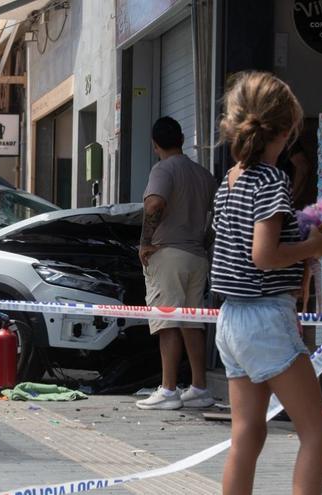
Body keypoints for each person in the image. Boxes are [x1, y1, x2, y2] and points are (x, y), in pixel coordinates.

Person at [212, 71, 322, 494]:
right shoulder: (271, 181)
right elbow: (263, 256)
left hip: (230, 318)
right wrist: (312, 248)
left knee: (247, 435)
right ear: (286, 130)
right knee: (318, 433)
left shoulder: (229, 181)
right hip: (264, 318)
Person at [135, 116, 217, 410]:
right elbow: (216, 217)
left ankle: (168, 389)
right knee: (192, 323)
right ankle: (199, 388)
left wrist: (145, 241)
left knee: (167, 321)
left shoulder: (163, 169)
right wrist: (203, 242)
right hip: (197, 257)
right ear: (181, 139)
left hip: (168, 253)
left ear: (155, 144)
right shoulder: (203, 174)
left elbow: (154, 203)